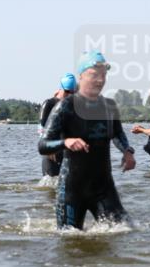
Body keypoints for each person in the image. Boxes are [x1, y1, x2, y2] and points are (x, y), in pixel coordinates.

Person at [38, 50, 136, 229]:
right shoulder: (65, 106)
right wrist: (65, 143)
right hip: (71, 190)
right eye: (94, 75)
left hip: (103, 187)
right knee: (69, 238)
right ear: (81, 76)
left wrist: (127, 151)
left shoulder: (109, 106)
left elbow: (118, 134)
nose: (100, 80)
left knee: (126, 230)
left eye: (103, 75)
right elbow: (43, 145)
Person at [38, 73, 77, 177]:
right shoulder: (49, 104)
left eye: (72, 92)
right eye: (67, 91)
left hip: (68, 154)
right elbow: (42, 128)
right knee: (50, 184)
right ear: (60, 89)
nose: (69, 94)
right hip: (52, 154)